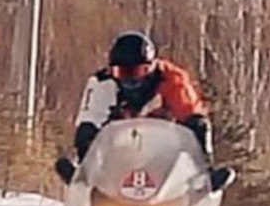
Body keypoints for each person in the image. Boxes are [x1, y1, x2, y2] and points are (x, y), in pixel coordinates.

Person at [59, 30, 216, 176]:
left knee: (199, 128)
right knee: (86, 134)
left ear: (152, 67)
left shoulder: (173, 79)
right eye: (122, 72)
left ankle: (204, 175)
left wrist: (205, 167)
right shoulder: (102, 82)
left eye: (138, 71)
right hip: (116, 160)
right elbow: (89, 121)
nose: (130, 80)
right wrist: (84, 168)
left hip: (166, 158)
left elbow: (194, 117)